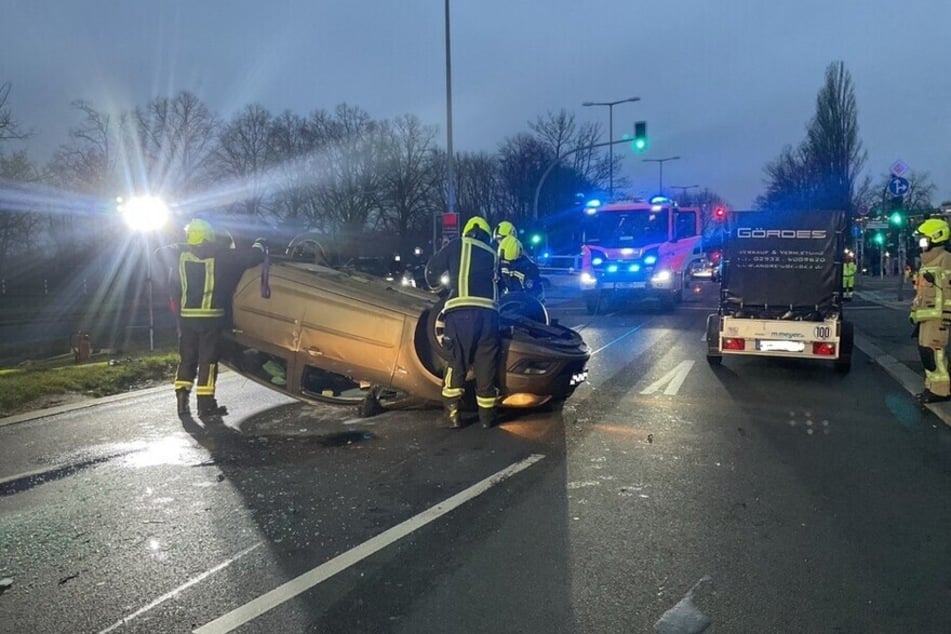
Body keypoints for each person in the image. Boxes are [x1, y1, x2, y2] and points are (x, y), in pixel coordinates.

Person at [170, 219, 266, 419]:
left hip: (187, 318)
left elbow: (163, 263)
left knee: (187, 359)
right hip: (211, 319)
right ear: (208, 235)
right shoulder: (221, 255)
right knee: (208, 361)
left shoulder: (180, 255)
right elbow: (251, 257)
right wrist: (260, 243)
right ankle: (205, 406)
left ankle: (181, 403)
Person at [425, 216, 500, 429]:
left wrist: (439, 291)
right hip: (490, 317)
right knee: (486, 366)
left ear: (468, 231)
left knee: (457, 361)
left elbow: (432, 272)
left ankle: (452, 414)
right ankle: (487, 417)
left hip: (461, 315)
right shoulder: (493, 254)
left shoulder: (457, 244)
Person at [909, 218, 951, 403]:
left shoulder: (946, 260)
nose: (921, 242)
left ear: (936, 236)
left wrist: (947, 316)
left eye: (924, 239)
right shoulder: (928, 261)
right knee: (927, 354)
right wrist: (914, 313)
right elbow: (922, 291)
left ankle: (941, 391)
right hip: (925, 317)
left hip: (938, 318)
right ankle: (931, 387)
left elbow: (948, 291)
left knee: (935, 354)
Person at [498, 234, 544, 300]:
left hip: (527, 304)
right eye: (504, 262)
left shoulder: (529, 269)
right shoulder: (500, 265)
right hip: (508, 302)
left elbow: (535, 293)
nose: (506, 265)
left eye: (510, 262)